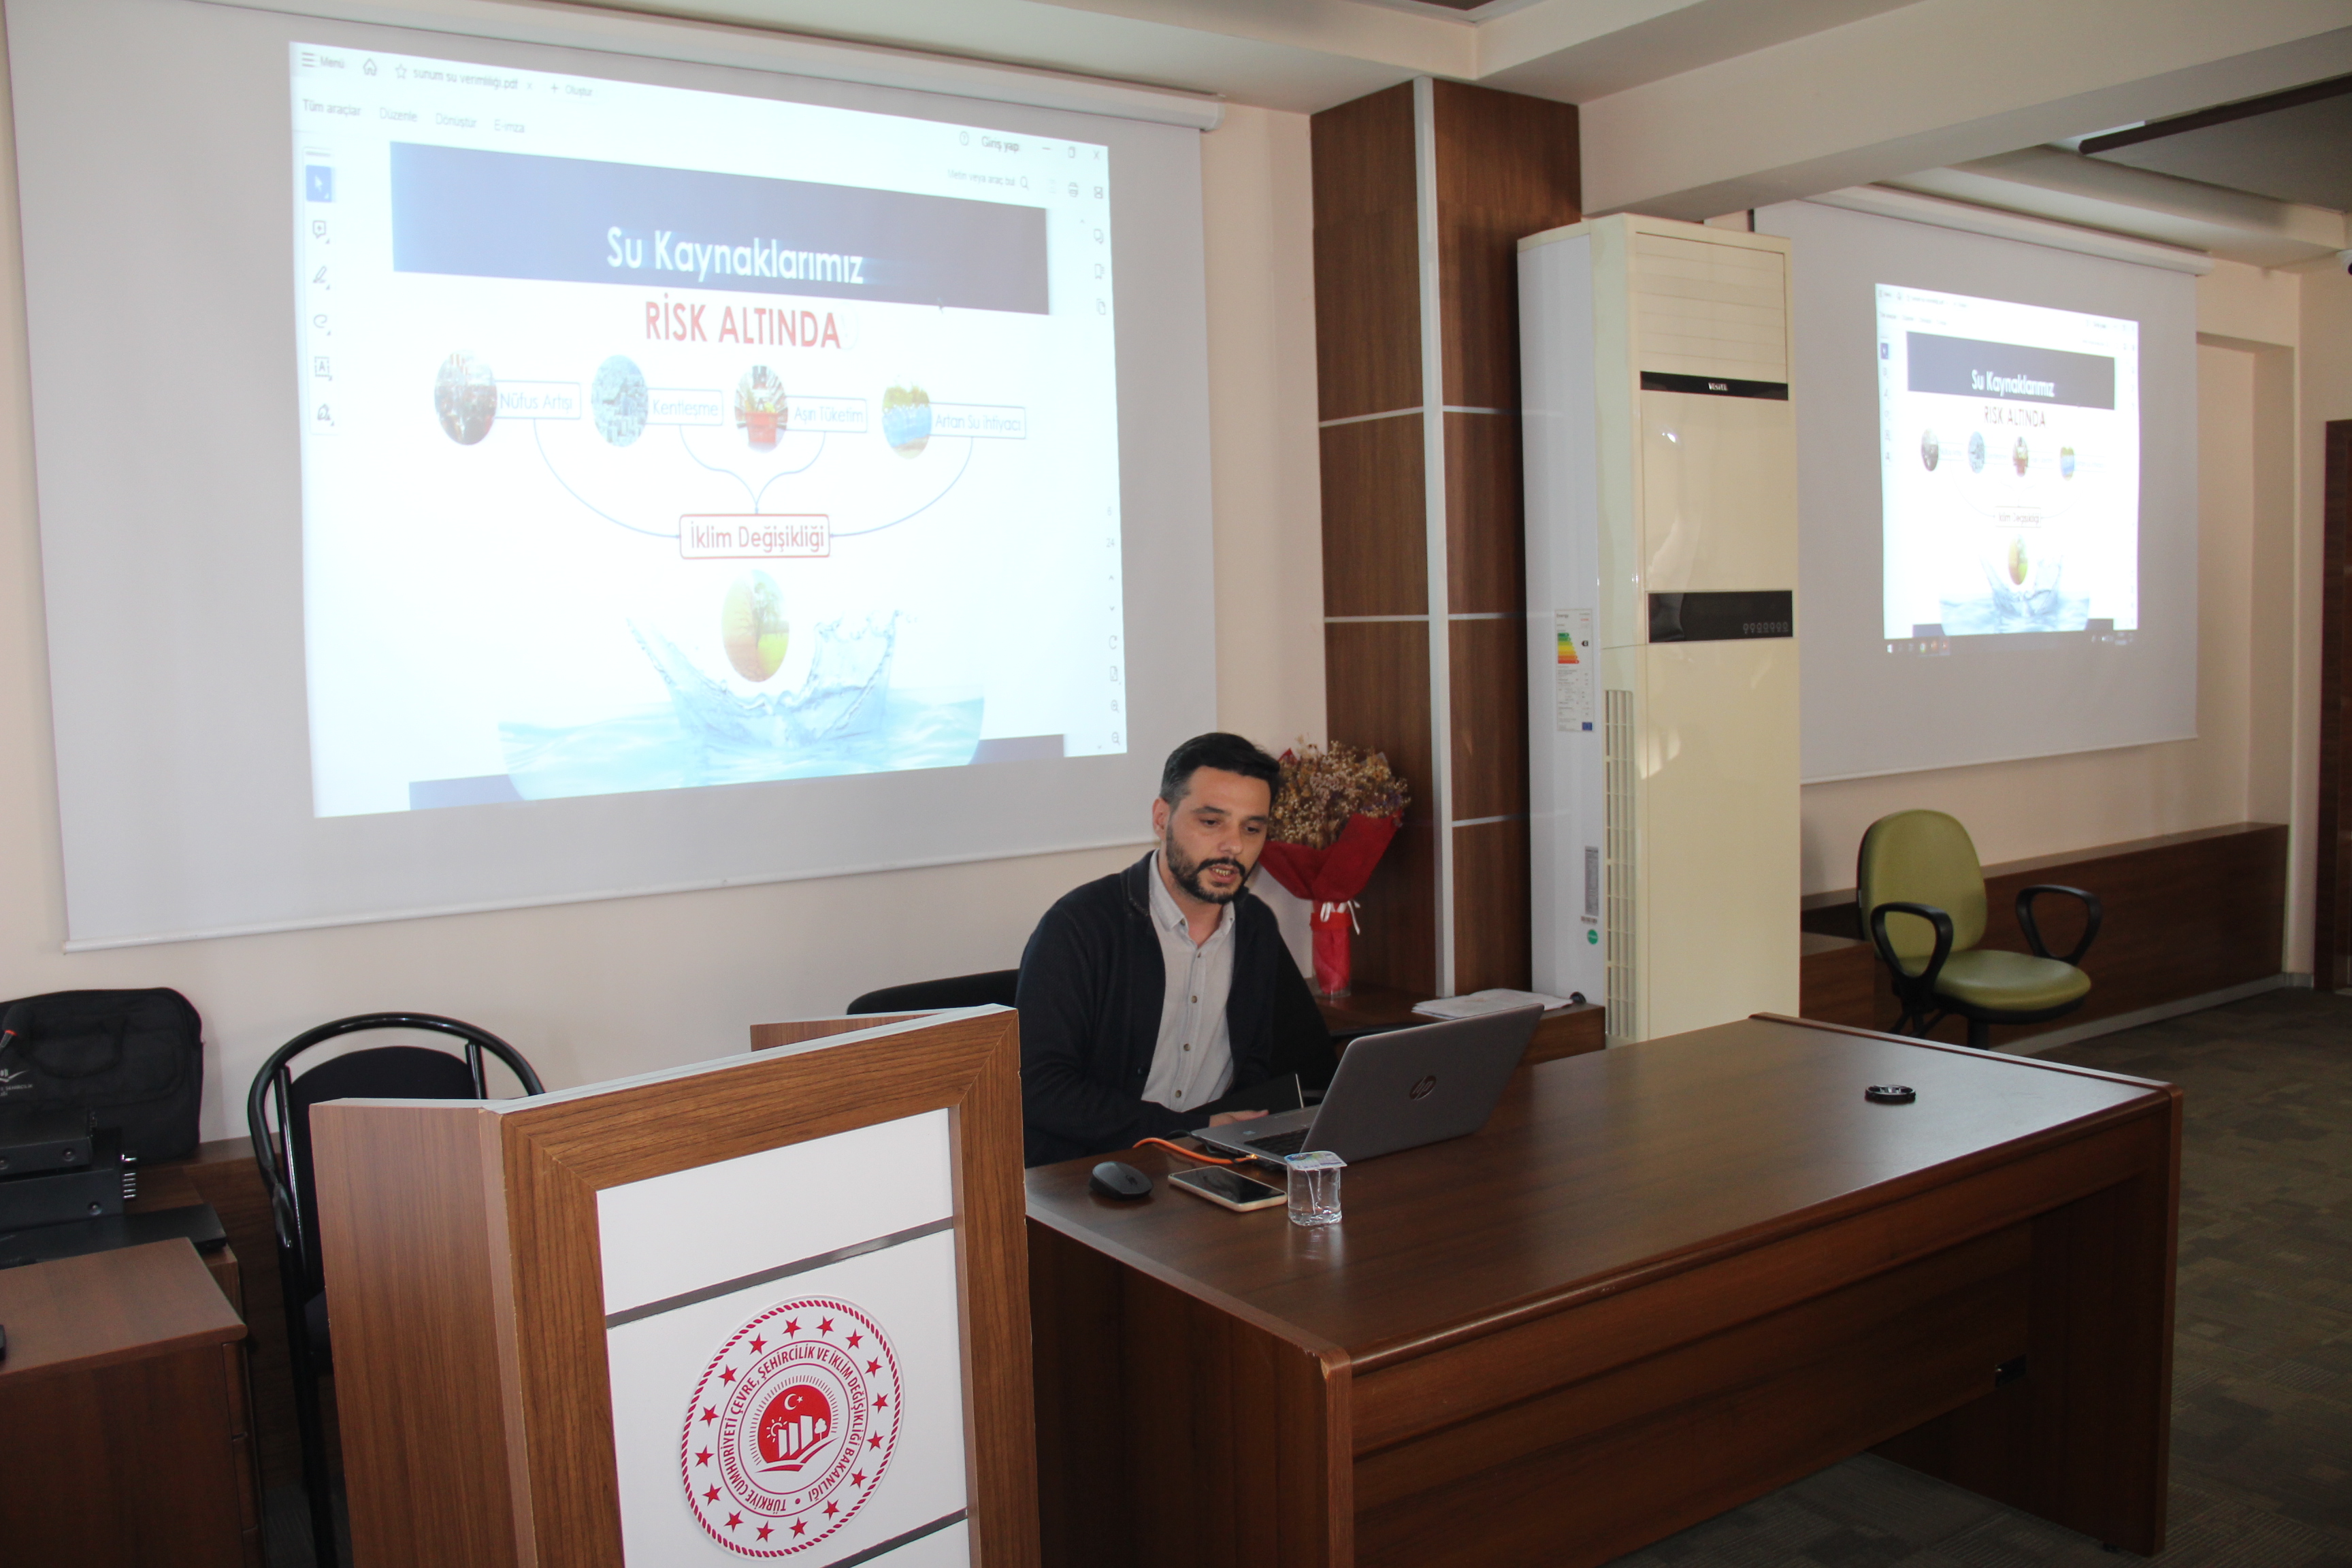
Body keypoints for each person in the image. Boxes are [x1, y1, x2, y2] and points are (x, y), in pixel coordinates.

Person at [1016, 732, 1336, 1167]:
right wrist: (1186, 1130)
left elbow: (1283, 1065)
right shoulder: (1079, 926)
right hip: (1095, 1171)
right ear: (1161, 818)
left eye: (1252, 828)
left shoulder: (1255, 926)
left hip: (1214, 1161)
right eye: (1212, 822)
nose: (1234, 846)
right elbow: (1037, 1088)